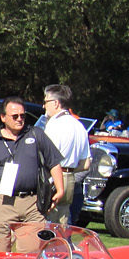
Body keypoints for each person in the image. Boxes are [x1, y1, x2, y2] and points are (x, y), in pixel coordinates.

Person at [0, 98, 66, 253]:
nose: (20, 119)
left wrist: (60, 189)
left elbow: (54, 163)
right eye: (15, 116)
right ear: (3, 117)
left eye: (22, 116)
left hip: (33, 203)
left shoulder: (36, 134)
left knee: (31, 254)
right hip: (2, 203)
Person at [41, 84, 91, 225]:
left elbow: (44, 157)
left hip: (53, 178)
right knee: (63, 223)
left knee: (46, 222)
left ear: (56, 103)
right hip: (70, 179)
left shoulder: (54, 125)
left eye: (45, 102)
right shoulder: (79, 126)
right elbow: (86, 163)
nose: (44, 106)